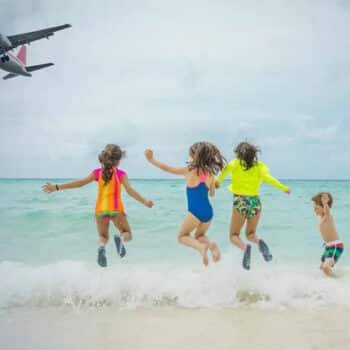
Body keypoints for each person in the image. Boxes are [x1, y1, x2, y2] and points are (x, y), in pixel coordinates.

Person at [42, 144, 153, 267]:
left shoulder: (97, 173)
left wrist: (56, 187)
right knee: (126, 233)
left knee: (103, 237)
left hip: (100, 211)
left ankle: (101, 247)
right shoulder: (121, 174)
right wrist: (144, 201)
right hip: (116, 210)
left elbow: (79, 183)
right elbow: (130, 191)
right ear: (118, 161)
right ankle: (120, 239)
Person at [144, 142, 225, 266]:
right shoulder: (210, 174)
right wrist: (214, 185)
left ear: (195, 156)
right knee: (200, 235)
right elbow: (212, 194)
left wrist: (151, 160)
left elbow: (167, 168)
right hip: (208, 212)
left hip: (195, 211)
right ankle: (210, 245)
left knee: (182, 237)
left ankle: (201, 248)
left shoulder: (190, 170)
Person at [216, 142, 290, 270]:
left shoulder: (235, 164)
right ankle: (258, 242)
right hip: (255, 202)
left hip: (240, 200)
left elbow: (221, 177)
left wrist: (216, 183)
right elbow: (269, 179)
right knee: (251, 234)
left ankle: (245, 248)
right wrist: (283, 188)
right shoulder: (259, 167)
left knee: (234, 235)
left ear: (238, 154)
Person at [312, 192, 344, 277]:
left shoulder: (327, 216)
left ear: (323, 207)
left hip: (336, 246)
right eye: (313, 208)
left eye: (316, 208)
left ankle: (338, 283)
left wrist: (325, 203)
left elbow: (327, 211)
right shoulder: (321, 217)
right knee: (322, 267)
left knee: (326, 267)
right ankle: (329, 285)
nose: (314, 210)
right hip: (328, 247)